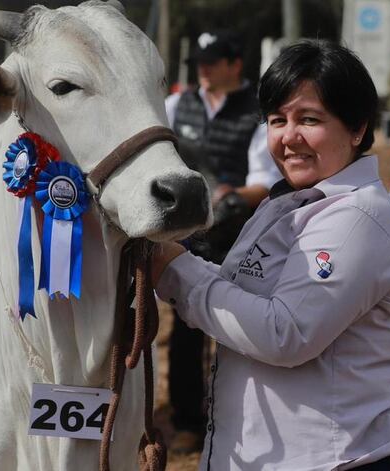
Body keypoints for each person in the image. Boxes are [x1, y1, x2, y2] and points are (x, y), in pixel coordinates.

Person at [152, 39, 390, 470]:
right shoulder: (287, 203)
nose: (289, 137)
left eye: (309, 119)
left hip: (349, 459)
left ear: (358, 128)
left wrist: (173, 268)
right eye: (276, 120)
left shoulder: (358, 217)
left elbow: (284, 333)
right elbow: (243, 297)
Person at [163, 29, 281, 454]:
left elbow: (263, 182)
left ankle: (238, 417)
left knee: (237, 328)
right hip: (188, 234)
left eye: (212, 61)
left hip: (241, 234)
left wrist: (227, 197)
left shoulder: (259, 112)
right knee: (185, 328)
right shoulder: (177, 105)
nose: (204, 69)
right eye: (200, 62)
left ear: (235, 64)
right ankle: (188, 420)